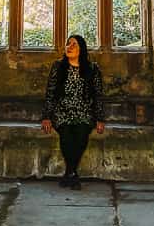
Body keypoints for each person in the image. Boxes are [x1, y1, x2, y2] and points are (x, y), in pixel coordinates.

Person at [41, 34, 106, 189]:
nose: (69, 47)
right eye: (68, 44)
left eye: (74, 44)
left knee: (81, 134)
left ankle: (69, 173)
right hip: (62, 111)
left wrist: (100, 118)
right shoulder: (58, 66)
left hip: (84, 111)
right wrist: (47, 117)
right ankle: (73, 174)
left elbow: (98, 94)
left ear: (81, 49)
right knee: (66, 135)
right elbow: (50, 92)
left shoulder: (92, 68)